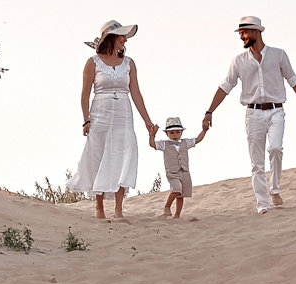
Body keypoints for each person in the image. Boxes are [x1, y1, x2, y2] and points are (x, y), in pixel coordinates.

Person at [199, 14, 296, 214]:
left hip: (276, 110)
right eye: (240, 33)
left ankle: (275, 188)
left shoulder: (279, 55)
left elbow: (293, 80)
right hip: (252, 115)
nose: (241, 36)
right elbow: (226, 86)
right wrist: (209, 111)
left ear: (256, 32)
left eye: (244, 32)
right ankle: (263, 205)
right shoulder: (238, 61)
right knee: (257, 162)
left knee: (276, 148)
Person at [72, 20, 157, 220]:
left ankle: (119, 207)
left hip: (123, 114)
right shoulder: (93, 62)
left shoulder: (129, 63)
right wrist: (86, 120)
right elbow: (84, 94)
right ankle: (99, 207)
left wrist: (147, 121)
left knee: (125, 155)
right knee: (99, 157)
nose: (125, 39)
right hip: (100, 112)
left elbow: (135, 92)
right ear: (111, 37)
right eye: (122, 35)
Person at [152, 117, 204, 218]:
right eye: (171, 133)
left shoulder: (185, 143)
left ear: (181, 132)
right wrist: (152, 135)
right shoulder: (164, 144)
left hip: (184, 171)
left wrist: (204, 130)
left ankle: (177, 215)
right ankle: (167, 207)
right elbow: (152, 144)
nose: (175, 135)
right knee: (176, 189)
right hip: (172, 172)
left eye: (177, 132)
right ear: (167, 133)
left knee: (181, 195)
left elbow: (197, 140)